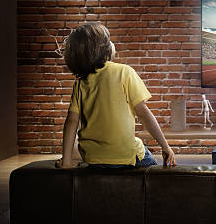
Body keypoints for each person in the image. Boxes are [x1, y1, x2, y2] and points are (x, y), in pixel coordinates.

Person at [55, 22, 177, 169]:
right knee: (149, 159)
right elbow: (144, 114)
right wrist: (165, 147)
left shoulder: (80, 83)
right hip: (124, 156)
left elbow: (71, 122)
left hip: (92, 158)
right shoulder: (125, 72)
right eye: (108, 41)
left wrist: (66, 162)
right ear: (103, 49)